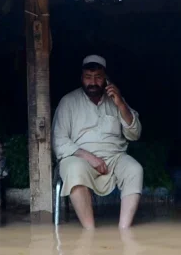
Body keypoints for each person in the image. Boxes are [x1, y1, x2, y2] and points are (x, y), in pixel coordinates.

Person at [53, 55, 143, 229]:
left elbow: (135, 134)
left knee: (135, 169)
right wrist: (89, 157)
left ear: (106, 78)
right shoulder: (68, 102)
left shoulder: (116, 100)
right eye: (88, 77)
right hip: (79, 158)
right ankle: (90, 233)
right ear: (81, 78)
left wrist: (121, 104)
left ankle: (124, 231)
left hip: (114, 158)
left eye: (98, 77)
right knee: (74, 169)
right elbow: (59, 140)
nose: (92, 82)